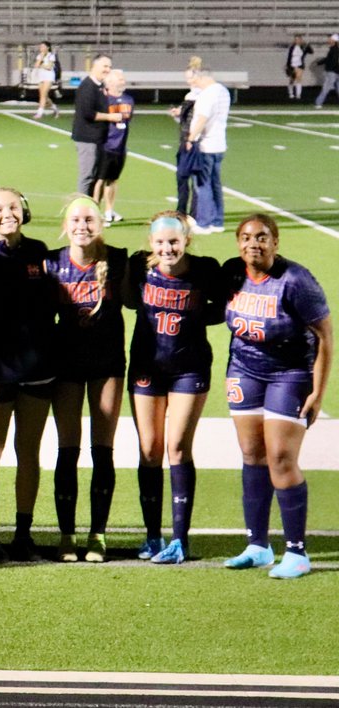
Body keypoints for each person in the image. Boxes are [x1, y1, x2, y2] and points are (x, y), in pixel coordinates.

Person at [221, 214, 331, 579]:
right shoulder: (231, 273)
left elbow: (326, 336)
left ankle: (296, 551)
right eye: (247, 237)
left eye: (263, 237)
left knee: (281, 457)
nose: (255, 243)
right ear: (238, 243)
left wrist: (318, 390)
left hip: (290, 373)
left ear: (275, 242)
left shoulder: (296, 280)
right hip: (244, 370)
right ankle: (257, 545)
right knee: (252, 454)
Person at [123, 211, 224, 565]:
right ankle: (153, 537)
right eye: (161, 242)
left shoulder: (205, 269)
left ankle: (180, 539)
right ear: (151, 243)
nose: (168, 248)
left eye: (174, 241)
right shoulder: (138, 268)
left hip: (189, 367)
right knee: (149, 449)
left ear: (186, 241)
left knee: (177, 447)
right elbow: (128, 300)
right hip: (147, 367)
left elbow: (223, 307)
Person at [0, 188, 56, 563]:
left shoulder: (39, 251)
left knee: (28, 452)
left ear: (24, 212)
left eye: (13, 207)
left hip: (37, 367)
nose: (7, 213)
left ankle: (23, 533)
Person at [46, 197, 127, 563]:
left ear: (101, 223)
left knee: (102, 448)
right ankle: (66, 535)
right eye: (76, 219)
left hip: (107, 362)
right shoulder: (52, 262)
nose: (83, 225)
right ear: (66, 224)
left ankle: (97, 534)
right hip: (66, 361)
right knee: (68, 448)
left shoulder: (120, 259)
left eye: (90, 219)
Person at [185, 65, 230, 234]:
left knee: (202, 184)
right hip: (219, 144)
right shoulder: (223, 91)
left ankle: (204, 222)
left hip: (206, 145)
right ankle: (218, 221)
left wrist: (190, 138)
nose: (195, 84)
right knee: (215, 184)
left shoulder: (207, 94)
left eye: (196, 80)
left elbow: (202, 119)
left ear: (203, 78)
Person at [71, 54, 123, 196]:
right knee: (87, 176)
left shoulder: (100, 86)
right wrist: (110, 117)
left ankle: (92, 210)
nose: (108, 69)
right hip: (87, 138)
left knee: (96, 176)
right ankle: (81, 207)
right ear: (95, 66)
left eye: (110, 67)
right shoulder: (87, 86)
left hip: (99, 138)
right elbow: (88, 113)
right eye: (105, 66)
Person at [93, 69, 134, 226]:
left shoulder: (128, 99)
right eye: (119, 78)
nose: (123, 80)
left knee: (114, 180)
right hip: (105, 145)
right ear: (109, 82)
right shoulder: (104, 100)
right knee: (100, 180)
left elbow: (127, 120)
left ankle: (109, 211)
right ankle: (95, 211)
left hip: (120, 147)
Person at [170, 57, 203, 216]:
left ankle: (192, 212)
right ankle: (183, 209)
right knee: (183, 177)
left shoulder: (199, 96)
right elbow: (186, 120)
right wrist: (179, 114)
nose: (189, 81)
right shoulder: (191, 95)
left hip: (194, 141)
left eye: (191, 78)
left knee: (191, 177)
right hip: (186, 140)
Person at [32, 41, 60, 119]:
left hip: (49, 76)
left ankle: (39, 113)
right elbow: (36, 65)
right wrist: (41, 60)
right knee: (44, 96)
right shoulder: (39, 55)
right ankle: (55, 108)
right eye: (40, 46)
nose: (41, 48)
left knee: (43, 94)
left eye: (43, 46)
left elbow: (49, 67)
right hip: (41, 76)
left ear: (47, 47)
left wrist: (42, 65)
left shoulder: (51, 55)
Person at [285, 35, 313, 101]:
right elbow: (289, 57)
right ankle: (291, 93)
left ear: (300, 40)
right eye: (295, 39)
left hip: (300, 65)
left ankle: (298, 94)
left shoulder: (303, 47)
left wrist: (307, 45)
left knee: (299, 78)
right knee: (292, 79)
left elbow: (311, 52)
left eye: (298, 39)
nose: (296, 41)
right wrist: (287, 65)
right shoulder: (292, 47)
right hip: (292, 65)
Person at [315, 33, 339, 108]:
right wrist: (319, 62)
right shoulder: (335, 49)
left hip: (332, 71)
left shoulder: (334, 49)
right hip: (337, 71)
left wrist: (329, 68)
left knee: (326, 87)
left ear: (334, 40)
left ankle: (318, 103)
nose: (328, 40)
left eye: (330, 39)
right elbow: (328, 59)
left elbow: (332, 60)